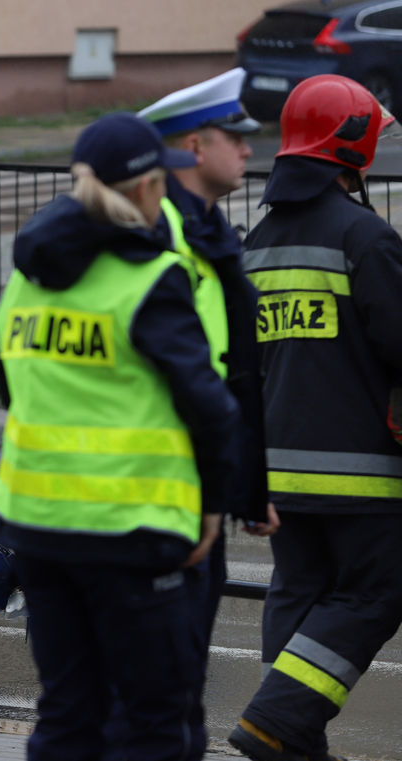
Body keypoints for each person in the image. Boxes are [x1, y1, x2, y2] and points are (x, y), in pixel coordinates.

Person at [0, 111, 242, 761]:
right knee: (157, 722)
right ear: (147, 188)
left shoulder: (26, 278)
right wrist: (212, 507)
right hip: (130, 531)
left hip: (37, 527)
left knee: (68, 716)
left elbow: (13, 387)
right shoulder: (149, 279)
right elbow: (211, 408)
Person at [227, 74, 402, 761]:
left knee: (300, 589)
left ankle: (296, 739)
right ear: (351, 148)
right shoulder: (365, 237)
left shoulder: (257, 244)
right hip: (363, 473)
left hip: (279, 471)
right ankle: (277, 718)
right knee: (374, 592)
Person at [123, 67, 280, 753]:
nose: (250, 150)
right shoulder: (162, 240)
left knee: (182, 682)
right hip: (158, 496)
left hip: (201, 493)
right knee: (155, 691)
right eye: (235, 137)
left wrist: (250, 487)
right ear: (192, 145)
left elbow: (236, 371)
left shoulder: (213, 234)